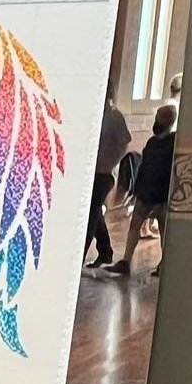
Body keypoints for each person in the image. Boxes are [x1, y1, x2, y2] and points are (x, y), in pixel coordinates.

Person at [106, 102, 176, 278]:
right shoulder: (161, 142)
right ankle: (127, 261)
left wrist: (137, 190)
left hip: (156, 192)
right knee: (145, 227)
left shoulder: (164, 143)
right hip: (152, 191)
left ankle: (149, 262)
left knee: (157, 228)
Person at [84, 84, 130, 267]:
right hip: (92, 170)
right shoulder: (93, 113)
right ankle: (105, 251)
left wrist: (110, 163)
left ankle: (81, 254)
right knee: (94, 211)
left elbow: (124, 142)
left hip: (105, 173)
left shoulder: (115, 117)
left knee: (91, 213)